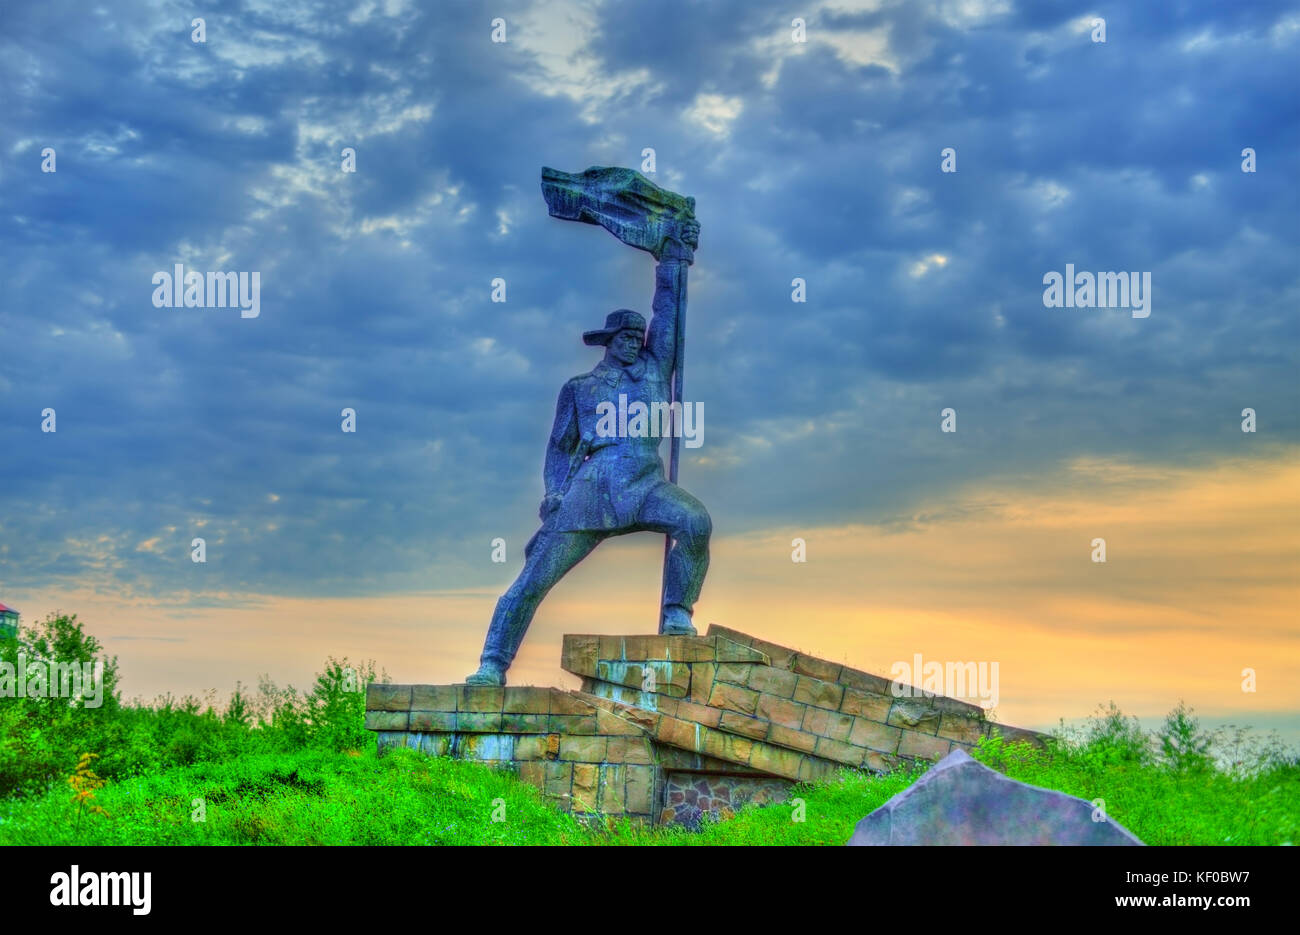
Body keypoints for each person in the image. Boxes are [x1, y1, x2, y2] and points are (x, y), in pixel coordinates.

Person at [466, 226, 710, 685]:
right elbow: (559, 449)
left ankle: (677, 612)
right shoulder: (580, 389)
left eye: (638, 336)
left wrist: (674, 259)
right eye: (625, 336)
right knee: (533, 580)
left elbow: (668, 312)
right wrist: (555, 493)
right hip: (590, 491)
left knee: (695, 522)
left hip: (645, 484)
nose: (634, 341)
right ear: (609, 340)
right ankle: (491, 664)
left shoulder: (656, 372)